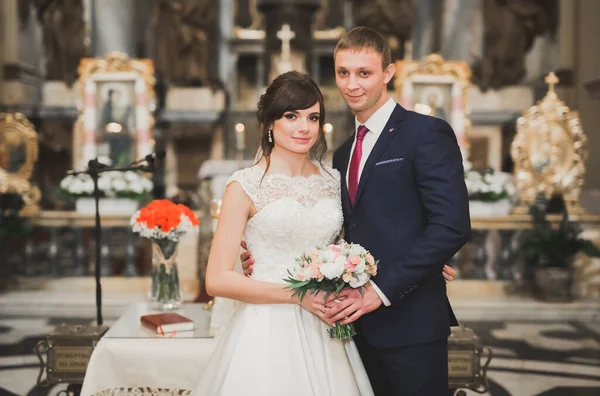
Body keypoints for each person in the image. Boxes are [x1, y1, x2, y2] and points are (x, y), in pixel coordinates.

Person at [242, 27, 470, 395]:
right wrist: (255, 248)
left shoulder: (425, 133)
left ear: (388, 73)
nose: (352, 84)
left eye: (364, 73)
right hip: (350, 329)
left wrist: (383, 286)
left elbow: (451, 225)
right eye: (343, 72)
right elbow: (349, 229)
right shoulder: (344, 153)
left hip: (409, 322)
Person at [194, 71, 373, 395]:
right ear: (270, 123)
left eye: (313, 117)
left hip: (326, 326)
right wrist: (297, 295)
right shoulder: (245, 185)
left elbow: (351, 245)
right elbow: (216, 279)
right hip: (265, 328)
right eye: (292, 116)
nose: (304, 127)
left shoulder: (334, 181)